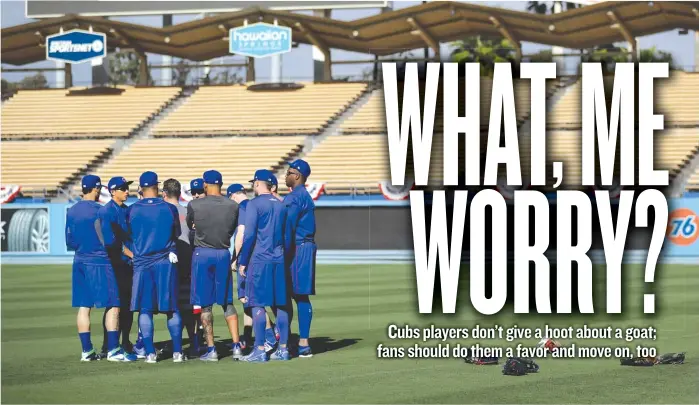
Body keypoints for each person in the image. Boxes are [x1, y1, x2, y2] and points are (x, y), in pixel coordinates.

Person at [66, 175, 135, 362]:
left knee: (84, 307)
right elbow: (108, 240)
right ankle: (113, 350)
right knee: (114, 304)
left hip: (79, 260)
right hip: (100, 261)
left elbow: (69, 241)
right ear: (97, 189)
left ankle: (87, 351)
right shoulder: (100, 210)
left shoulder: (71, 210)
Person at [128, 171, 184, 363]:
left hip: (142, 264)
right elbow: (176, 233)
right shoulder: (169, 208)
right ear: (158, 186)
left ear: (141, 188)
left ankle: (150, 353)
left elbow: (129, 236)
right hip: (165, 262)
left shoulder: (133, 209)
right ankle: (178, 352)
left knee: (145, 310)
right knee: (172, 309)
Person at [187, 170, 242, 361]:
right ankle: (237, 345)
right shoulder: (233, 206)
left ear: (205, 183)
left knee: (205, 305)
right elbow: (234, 228)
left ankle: (212, 349)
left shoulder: (194, 204)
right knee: (227, 302)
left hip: (202, 254)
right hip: (222, 253)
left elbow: (191, 226)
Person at [238, 169, 290, 362]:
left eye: (255, 182)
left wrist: (243, 262)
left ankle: (260, 349)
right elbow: (287, 236)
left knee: (257, 303)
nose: (253, 185)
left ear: (259, 184)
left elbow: (249, 235)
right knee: (281, 303)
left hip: (259, 259)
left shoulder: (253, 204)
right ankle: (283, 349)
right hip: (279, 258)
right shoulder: (282, 205)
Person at [228, 183, 277, 352]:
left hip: (247, 258)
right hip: (262, 256)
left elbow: (241, 235)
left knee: (251, 300)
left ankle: (271, 335)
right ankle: (248, 337)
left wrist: (235, 258)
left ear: (233, 196)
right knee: (249, 301)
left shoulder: (243, 207)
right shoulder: (254, 204)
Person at [96, 176, 139, 360]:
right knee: (114, 305)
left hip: (128, 265)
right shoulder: (107, 212)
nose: (127, 191)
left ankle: (125, 342)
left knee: (128, 306)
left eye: (127, 188)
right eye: (122, 188)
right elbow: (111, 242)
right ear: (113, 191)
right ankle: (108, 345)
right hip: (114, 265)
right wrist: (132, 255)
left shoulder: (127, 210)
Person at [284, 160, 317, 358]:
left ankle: (297, 342)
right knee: (296, 295)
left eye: (288, 172)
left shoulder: (295, 197)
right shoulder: (302, 195)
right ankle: (297, 341)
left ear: (297, 175)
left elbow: (288, 227)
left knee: (293, 295)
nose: (285, 175)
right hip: (303, 247)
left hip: (298, 248)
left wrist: (283, 252)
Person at [162, 178, 199, 358]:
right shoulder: (187, 211)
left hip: (169, 267)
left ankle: (176, 345)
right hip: (190, 264)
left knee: (172, 308)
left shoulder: (162, 212)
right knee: (189, 308)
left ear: (164, 193)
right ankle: (194, 343)